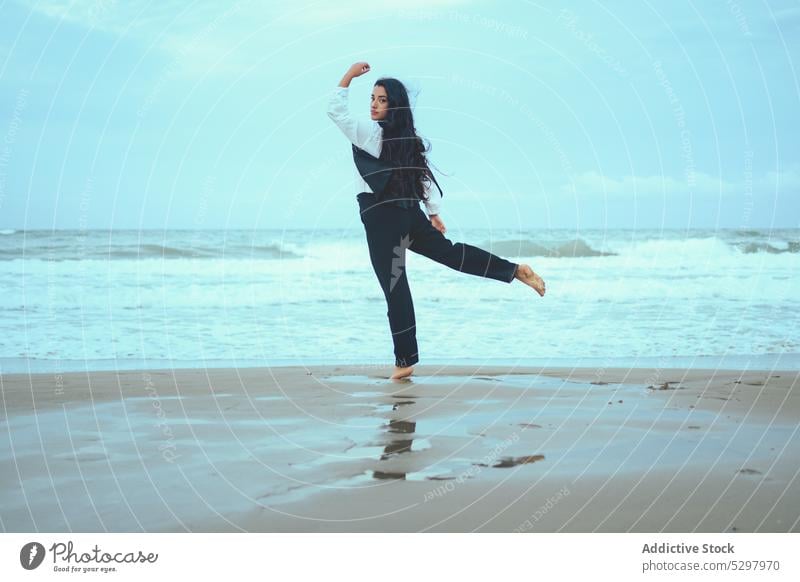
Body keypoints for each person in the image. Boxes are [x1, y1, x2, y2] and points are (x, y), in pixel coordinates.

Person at [327, 61, 546, 380]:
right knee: (452, 254)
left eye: (382, 99)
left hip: (381, 216)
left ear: (394, 105)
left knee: (395, 286)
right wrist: (433, 212)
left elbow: (336, 112)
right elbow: (423, 176)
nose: (374, 105)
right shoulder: (409, 139)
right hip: (409, 212)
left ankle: (405, 361)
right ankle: (513, 270)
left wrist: (347, 76)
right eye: (372, 98)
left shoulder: (368, 133)